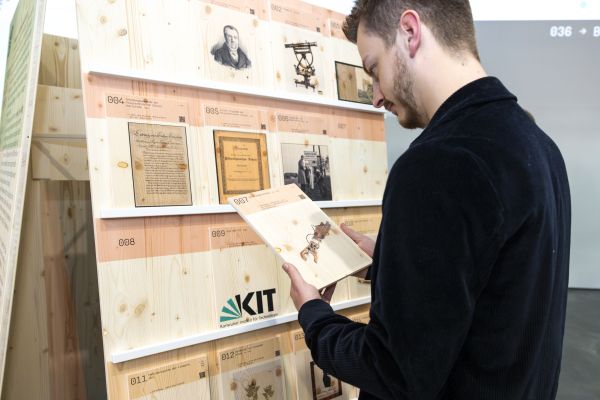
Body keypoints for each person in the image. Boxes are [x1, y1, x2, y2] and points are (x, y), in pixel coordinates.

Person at [282, 1, 571, 399]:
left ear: (410, 31)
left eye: (374, 70)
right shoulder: (541, 147)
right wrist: (389, 266)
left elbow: (394, 370)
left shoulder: (436, 163)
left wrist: (314, 316)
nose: (376, 97)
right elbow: (497, 292)